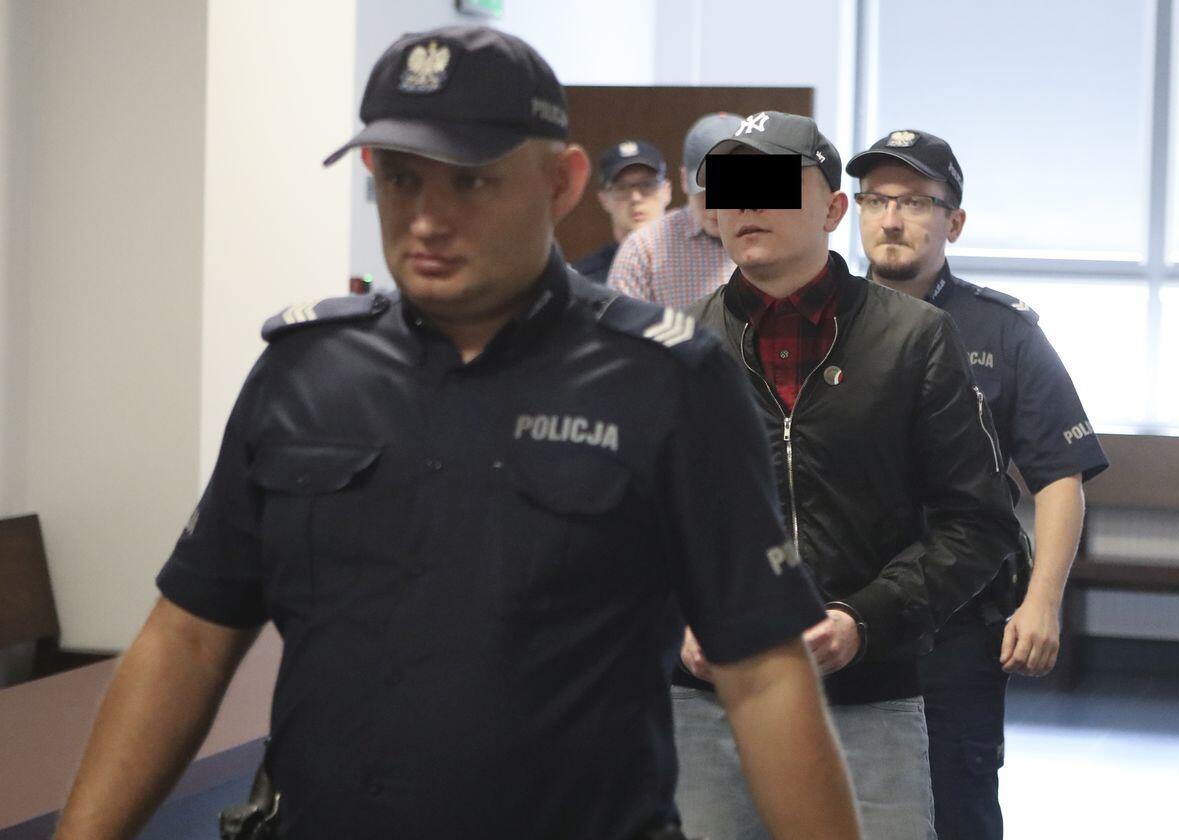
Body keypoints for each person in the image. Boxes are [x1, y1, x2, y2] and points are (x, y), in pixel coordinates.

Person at [53, 28, 865, 840]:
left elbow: (764, 674)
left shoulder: (667, 382)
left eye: (471, 181)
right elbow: (188, 640)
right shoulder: (305, 375)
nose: (428, 219)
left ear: (560, 182)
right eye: (401, 179)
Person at [677, 111, 1023, 840]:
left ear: (834, 209)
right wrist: (673, 624)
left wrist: (863, 621)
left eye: (772, 185)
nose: (746, 205)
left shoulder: (915, 339)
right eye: (730, 186)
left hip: (868, 696)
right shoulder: (677, 347)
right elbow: (635, 529)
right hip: (709, 702)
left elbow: (978, 524)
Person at [846, 128, 1110, 840]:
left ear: (953, 222)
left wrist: (1043, 603)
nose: (891, 219)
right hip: (841, 610)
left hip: (955, 624)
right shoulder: (822, 323)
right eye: (875, 199)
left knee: (954, 808)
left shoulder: (1004, 331)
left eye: (914, 202)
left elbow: (1059, 478)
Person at [607, 112, 743, 309]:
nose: (716, 208)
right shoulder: (643, 250)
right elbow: (619, 326)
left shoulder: (777, 237)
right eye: (705, 191)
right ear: (684, 180)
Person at [571, 139, 671, 284]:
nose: (635, 198)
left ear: (666, 191)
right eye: (622, 188)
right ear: (604, 199)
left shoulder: (694, 263)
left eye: (647, 185)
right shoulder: (583, 281)